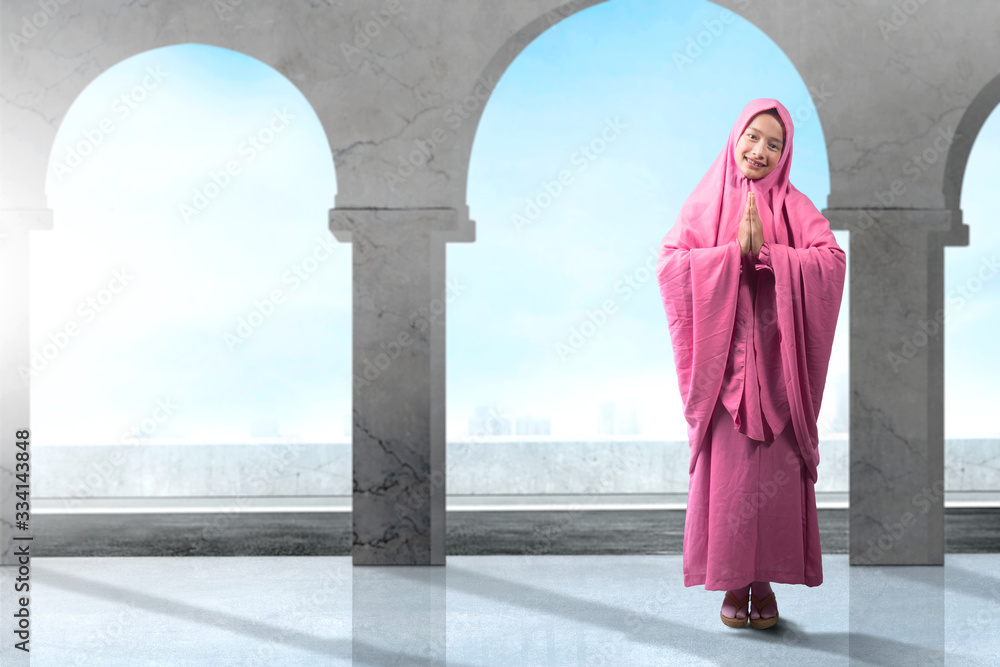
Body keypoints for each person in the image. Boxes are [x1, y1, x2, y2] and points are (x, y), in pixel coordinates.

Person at [655, 98, 846, 629]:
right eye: (753, 137)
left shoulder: (795, 204)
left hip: (780, 375)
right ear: (736, 136)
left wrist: (771, 258)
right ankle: (736, 585)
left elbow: (831, 260)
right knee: (732, 483)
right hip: (724, 373)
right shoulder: (704, 201)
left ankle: (764, 585)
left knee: (774, 486)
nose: (760, 151)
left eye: (774, 144)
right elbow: (670, 265)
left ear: (785, 155)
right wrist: (730, 257)